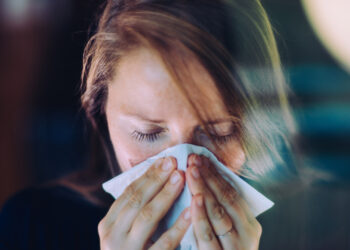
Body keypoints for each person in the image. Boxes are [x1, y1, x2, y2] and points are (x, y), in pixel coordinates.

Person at [0, 0, 299, 249]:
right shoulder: (31, 229)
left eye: (218, 134)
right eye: (149, 133)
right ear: (101, 114)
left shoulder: (304, 231)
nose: (183, 169)